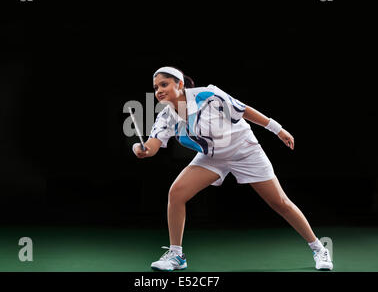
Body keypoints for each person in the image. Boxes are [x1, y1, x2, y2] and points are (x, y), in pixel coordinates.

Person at [132, 66, 333, 271]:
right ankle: (176, 256)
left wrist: (277, 129)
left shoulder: (207, 95)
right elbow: (152, 145)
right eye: (156, 87)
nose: (159, 91)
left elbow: (243, 109)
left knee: (279, 202)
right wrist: (141, 149)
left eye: (164, 84)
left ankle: (319, 248)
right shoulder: (165, 116)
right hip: (212, 157)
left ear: (180, 84)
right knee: (176, 193)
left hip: (243, 150)